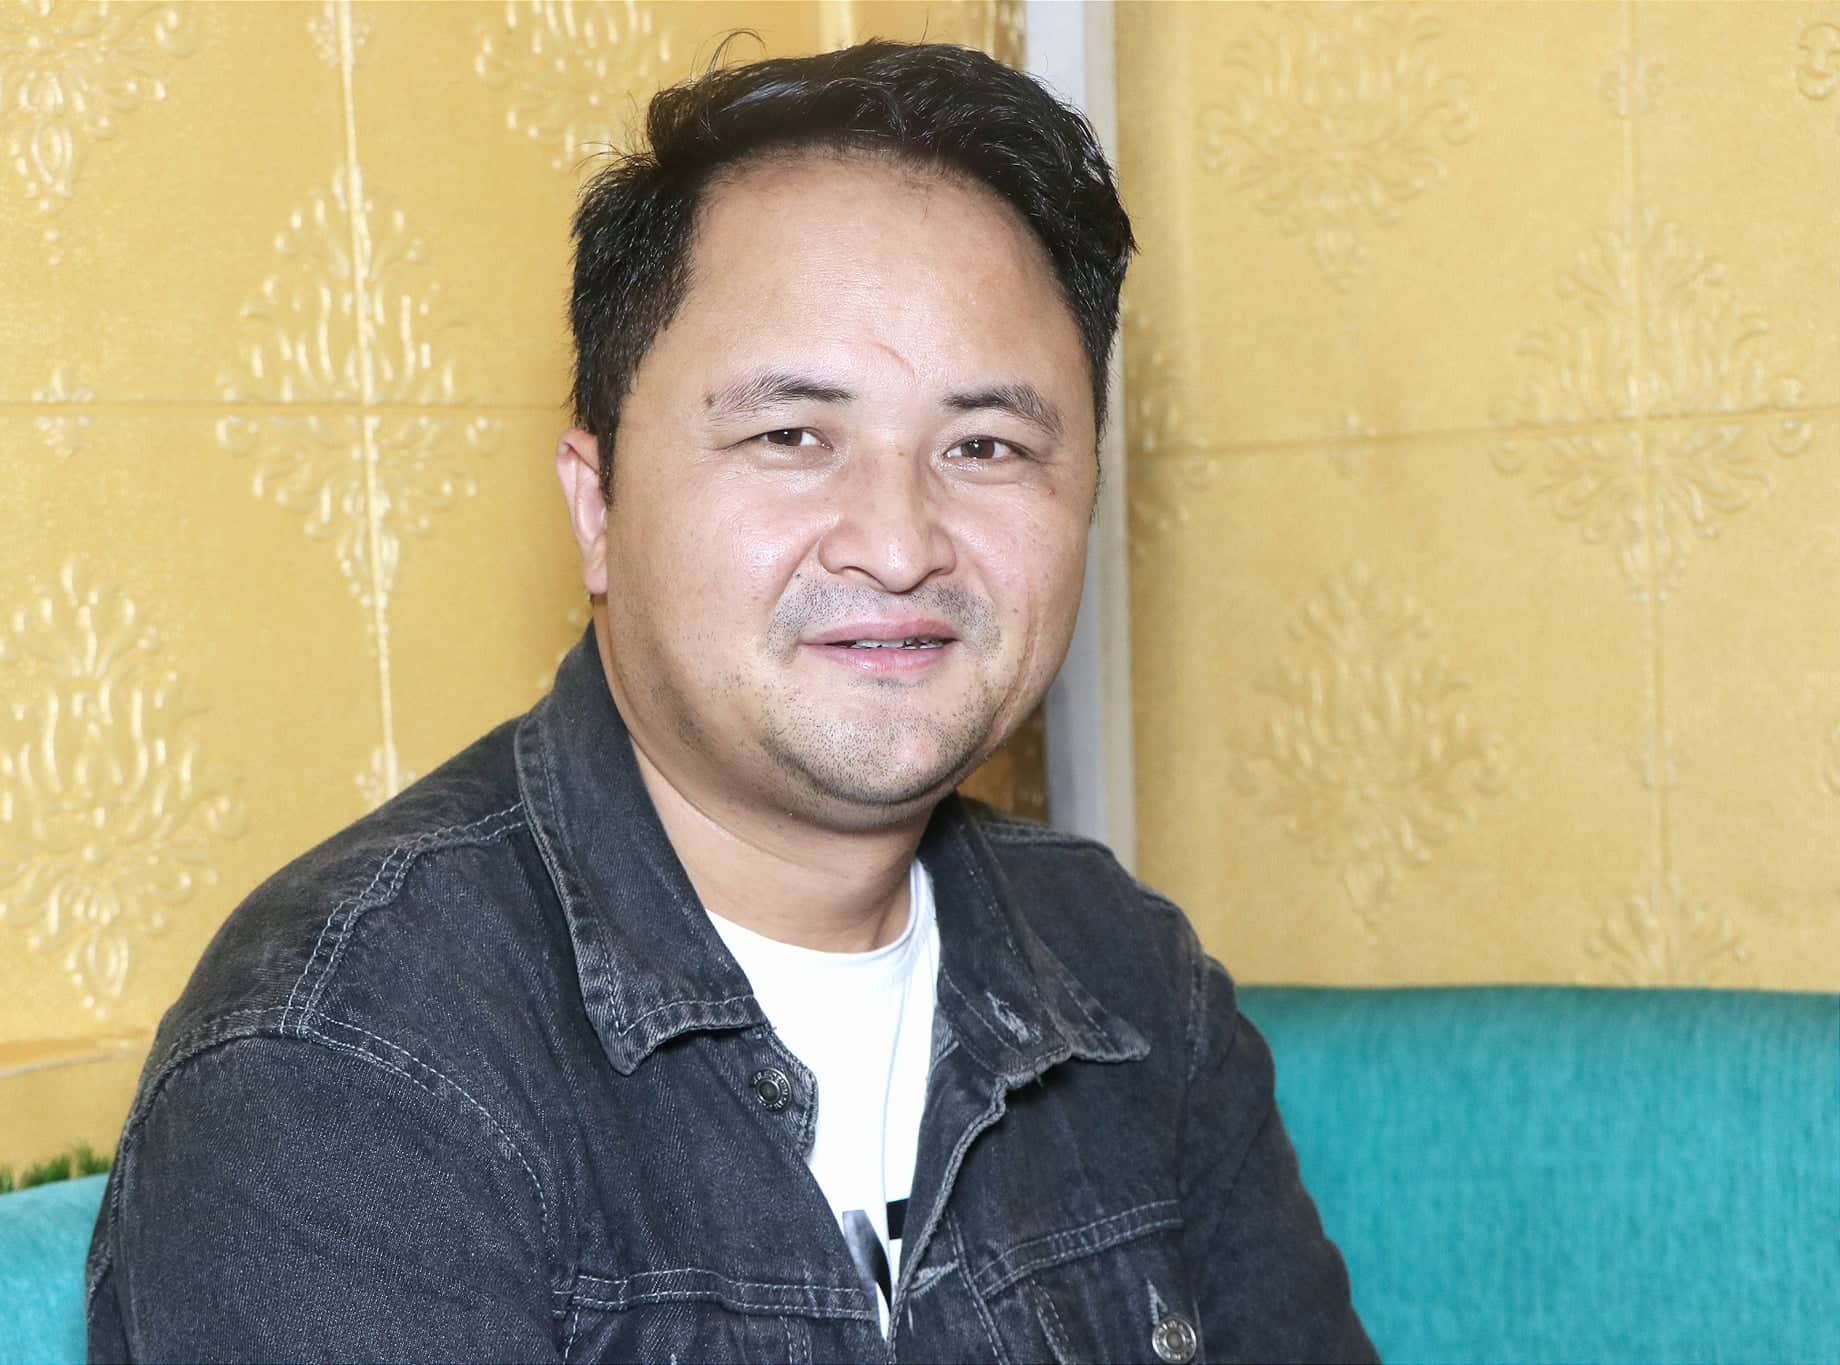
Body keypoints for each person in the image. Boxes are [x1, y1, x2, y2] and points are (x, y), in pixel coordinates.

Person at [84, 38, 1375, 1365]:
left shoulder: (1128, 978)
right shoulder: (350, 1055)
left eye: (986, 445)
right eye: (792, 436)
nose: (898, 543)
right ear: (597, 505)